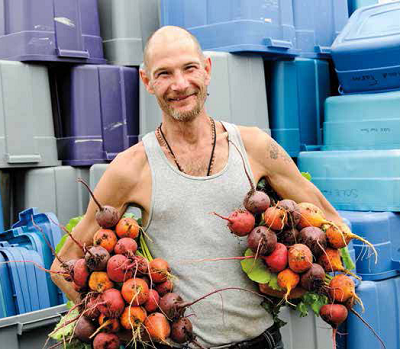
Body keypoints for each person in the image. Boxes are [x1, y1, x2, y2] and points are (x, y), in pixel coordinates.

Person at [51, 25, 343, 349]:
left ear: (206, 69)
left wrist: (291, 285)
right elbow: (63, 266)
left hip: (261, 342)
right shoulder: (131, 169)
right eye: (164, 73)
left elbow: (334, 225)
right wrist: (121, 321)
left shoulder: (256, 147)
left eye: (189, 68)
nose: (179, 84)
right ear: (147, 81)